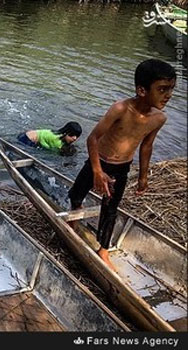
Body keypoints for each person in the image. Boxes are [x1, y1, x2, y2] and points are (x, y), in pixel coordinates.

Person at [67, 59, 176, 272]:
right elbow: (93, 139)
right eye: (162, 89)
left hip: (121, 169)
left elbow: (146, 146)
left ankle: (103, 250)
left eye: (171, 89)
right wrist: (98, 172)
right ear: (142, 90)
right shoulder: (120, 109)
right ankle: (74, 217)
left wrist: (143, 176)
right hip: (98, 162)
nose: (168, 95)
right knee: (76, 195)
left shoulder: (159, 118)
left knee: (110, 208)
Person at [17, 121, 82, 156]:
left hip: (27, 133)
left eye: (77, 136)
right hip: (25, 139)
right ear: (66, 133)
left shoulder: (59, 134)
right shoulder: (56, 141)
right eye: (72, 135)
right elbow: (53, 151)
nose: (75, 138)